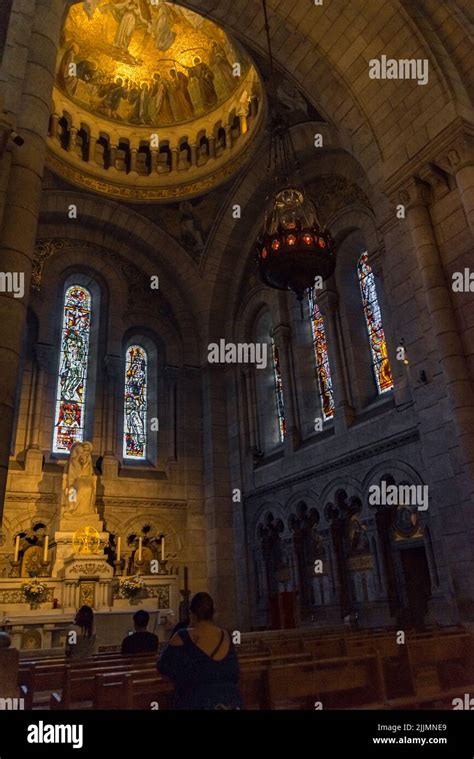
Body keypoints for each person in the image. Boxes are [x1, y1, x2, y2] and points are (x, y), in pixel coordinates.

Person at [158, 592, 242, 710]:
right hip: (230, 702)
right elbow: (235, 673)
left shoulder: (183, 636)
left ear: (192, 615)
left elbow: (163, 666)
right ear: (213, 613)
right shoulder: (226, 635)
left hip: (196, 702)